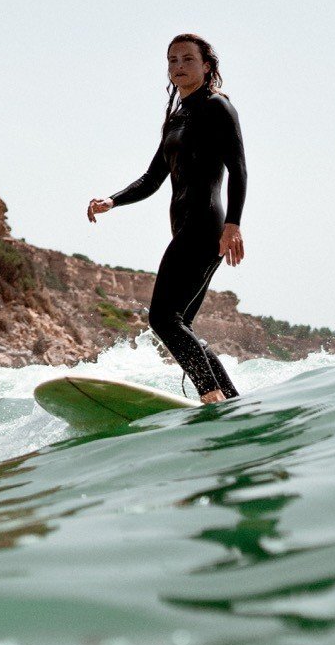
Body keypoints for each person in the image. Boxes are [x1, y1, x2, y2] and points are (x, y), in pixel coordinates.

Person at [87, 33, 247, 404]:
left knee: (162, 318)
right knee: (179, 323)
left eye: (187, 59)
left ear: (206, 66)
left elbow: (238, 169)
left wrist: (233, 225)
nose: (178, 66)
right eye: (172, 60)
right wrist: (113, 200)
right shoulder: (176, 118)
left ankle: (210, 396)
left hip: (206, 224)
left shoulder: (218, 107)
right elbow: (152, 178)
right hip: (185, 227)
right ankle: (230, 400)